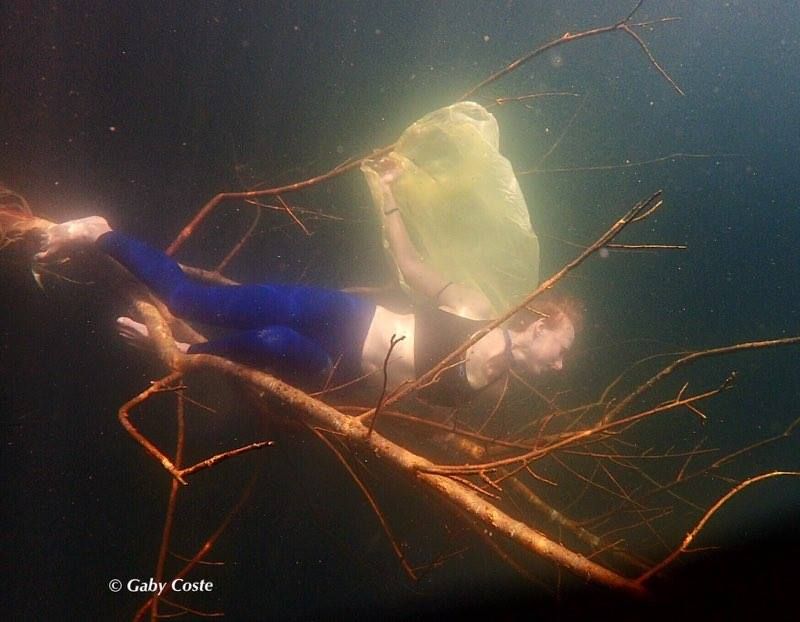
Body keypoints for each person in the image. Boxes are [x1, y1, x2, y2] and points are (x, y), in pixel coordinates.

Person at [32, 163, 579, 405]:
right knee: (189, 298)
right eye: (563, 349)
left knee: (272, 345)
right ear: (540, 322)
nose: (560, 365)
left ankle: (183, 350)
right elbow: (412, 268)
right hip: (341, 318)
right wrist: (388, 195)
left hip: (337, 374)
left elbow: (420, 409)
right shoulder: (477, 308)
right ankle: (99, 232)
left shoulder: (495, 394)